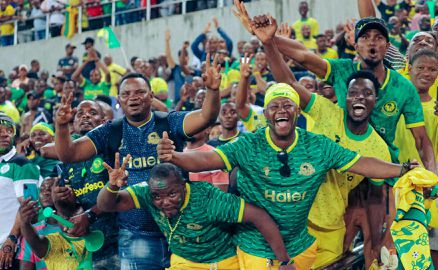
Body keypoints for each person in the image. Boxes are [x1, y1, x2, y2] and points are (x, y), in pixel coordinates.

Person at [158, 79, 420, 270]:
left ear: (297, 111)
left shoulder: (317, 146)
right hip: (256, 248)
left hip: (300, 246)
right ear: (267, 114)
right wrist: (175, 157)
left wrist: (401, 169)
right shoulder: (250, 144)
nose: (281, 109)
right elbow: (208, 159)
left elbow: (361, 163)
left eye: (288, 104)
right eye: (274, 105)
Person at [51, 54, 222, 269]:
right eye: (126, 94)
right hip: (135, 235)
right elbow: (68, 154)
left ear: (151, 96)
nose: (133, 97)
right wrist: (61, 126)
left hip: (183, 229)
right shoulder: (110, 131)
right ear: (119, 101)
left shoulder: (169, 121)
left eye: (140, 92)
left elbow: (207, 116)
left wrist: (213, 90)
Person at [256, 18, 393, 268]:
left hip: (332, 228)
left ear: (376, 99)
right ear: (345, 97)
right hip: (293, 221)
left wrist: (377, 240)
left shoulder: (379, 149)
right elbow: (289, 85)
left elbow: (374, 198)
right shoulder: (325, 111)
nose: (359, 98)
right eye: (353, 93)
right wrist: (268, 44)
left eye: (367, 93)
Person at [232, 8, 436, 172]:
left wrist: (432, 177)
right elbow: (303, 57)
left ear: (387, 45)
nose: (372, 41)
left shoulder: (404, 87)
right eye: (365, 37)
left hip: (381, 166)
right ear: (355, 45)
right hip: (341, 163)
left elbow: (421, 139)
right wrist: (268, 39)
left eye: (378, 37)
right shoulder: (341, 70)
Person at [98, 161, 295, 270]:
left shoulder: (208, 199)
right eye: (157, 196)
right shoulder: (147, 192)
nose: (164, 202)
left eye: (172, 194)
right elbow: (106, 205)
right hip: (184, 262)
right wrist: (112, 186)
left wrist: (285, 261)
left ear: (184, 186)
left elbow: (259, 216)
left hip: (222, 261)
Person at [394, 49, 438, 270]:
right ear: (408, 69)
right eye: (420, 67)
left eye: (432, 69)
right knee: (399, 245)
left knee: (437, 245)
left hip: (433, 177)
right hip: (399, 175)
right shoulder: (395, 102)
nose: (426, 73)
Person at [49, 100, 120, 269]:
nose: (86, 115)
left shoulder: (113, 150)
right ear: (73, 125)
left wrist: (90, 215)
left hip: (118, 240)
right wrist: (60, 201)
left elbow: (123, 190)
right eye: (80, 114)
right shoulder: (67, 158)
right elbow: (70, 210)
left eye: (93, 113)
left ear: (104, 122)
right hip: (87, 245)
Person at [0, 113, 40, 270]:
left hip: (9, 250)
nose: (4, 134)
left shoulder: (22, 164)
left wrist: (11, 240)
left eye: (9, 130)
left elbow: (30, 209)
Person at [16, 176, 61, 270]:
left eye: (51, 188)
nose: (45, 192)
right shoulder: (31, 231)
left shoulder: (75, 227)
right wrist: (24, 223)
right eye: (42, 189)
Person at [185, 127, 229, 192]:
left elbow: (220, 196)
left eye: (196, 123)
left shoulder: (216, 156)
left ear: (207, 129)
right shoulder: (178, 154)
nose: (190, 127)